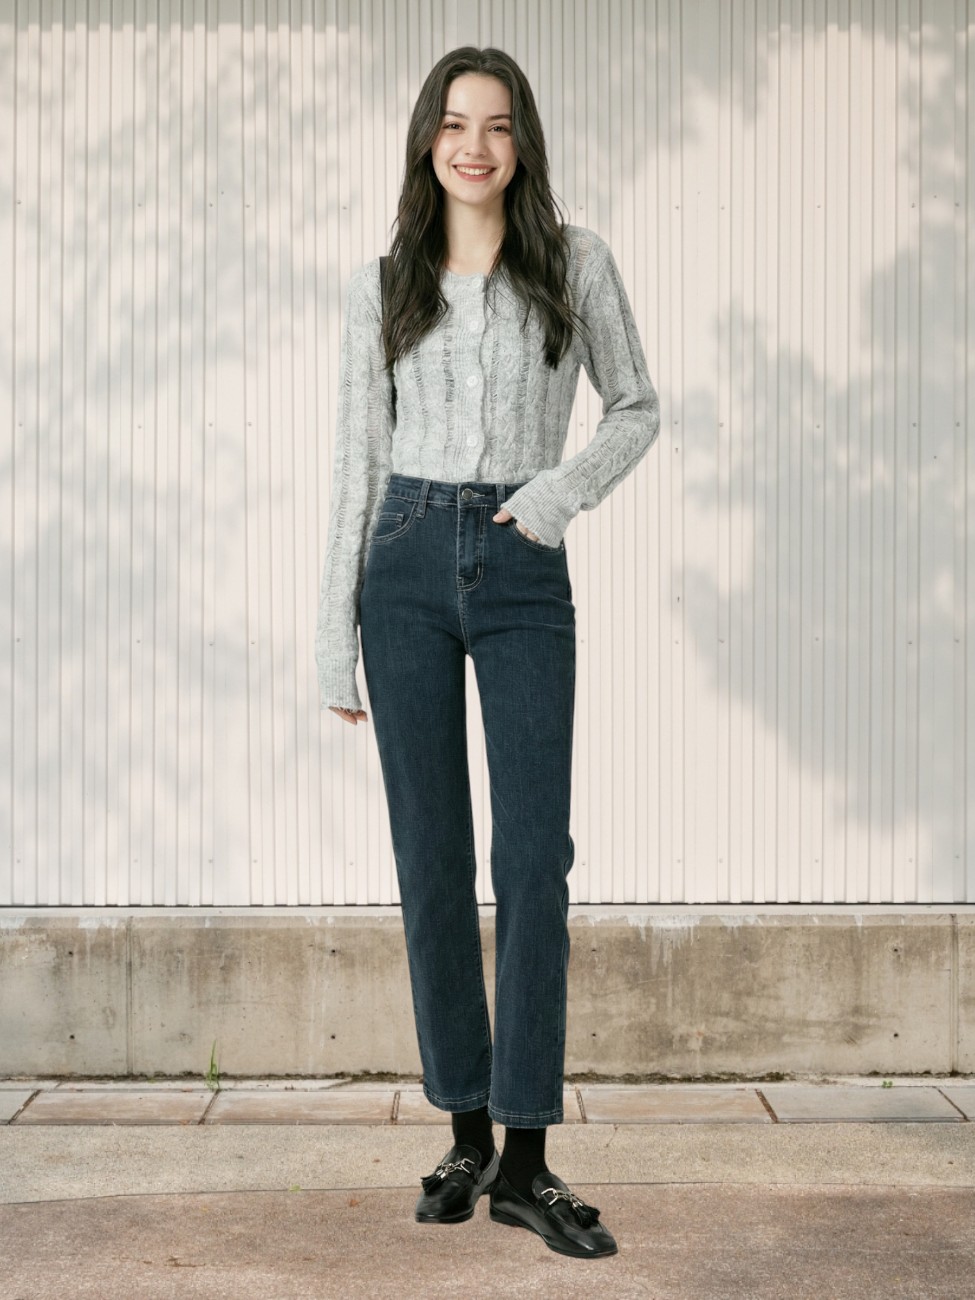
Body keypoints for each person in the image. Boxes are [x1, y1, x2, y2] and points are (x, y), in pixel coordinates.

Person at [315, 45, 660, 1259]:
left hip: (522, 559)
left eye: (498, 126)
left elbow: (637, 407)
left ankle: (525, 1158)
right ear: (427, 140)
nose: (476, 145)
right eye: (455, 124)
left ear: (523, 144)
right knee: (430, 859)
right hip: (401, 561)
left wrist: (557, 498)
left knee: (532, 862)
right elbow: (358, 463)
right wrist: (328, 638)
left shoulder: (575, 265)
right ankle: (463, 1128)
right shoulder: (383, 283)